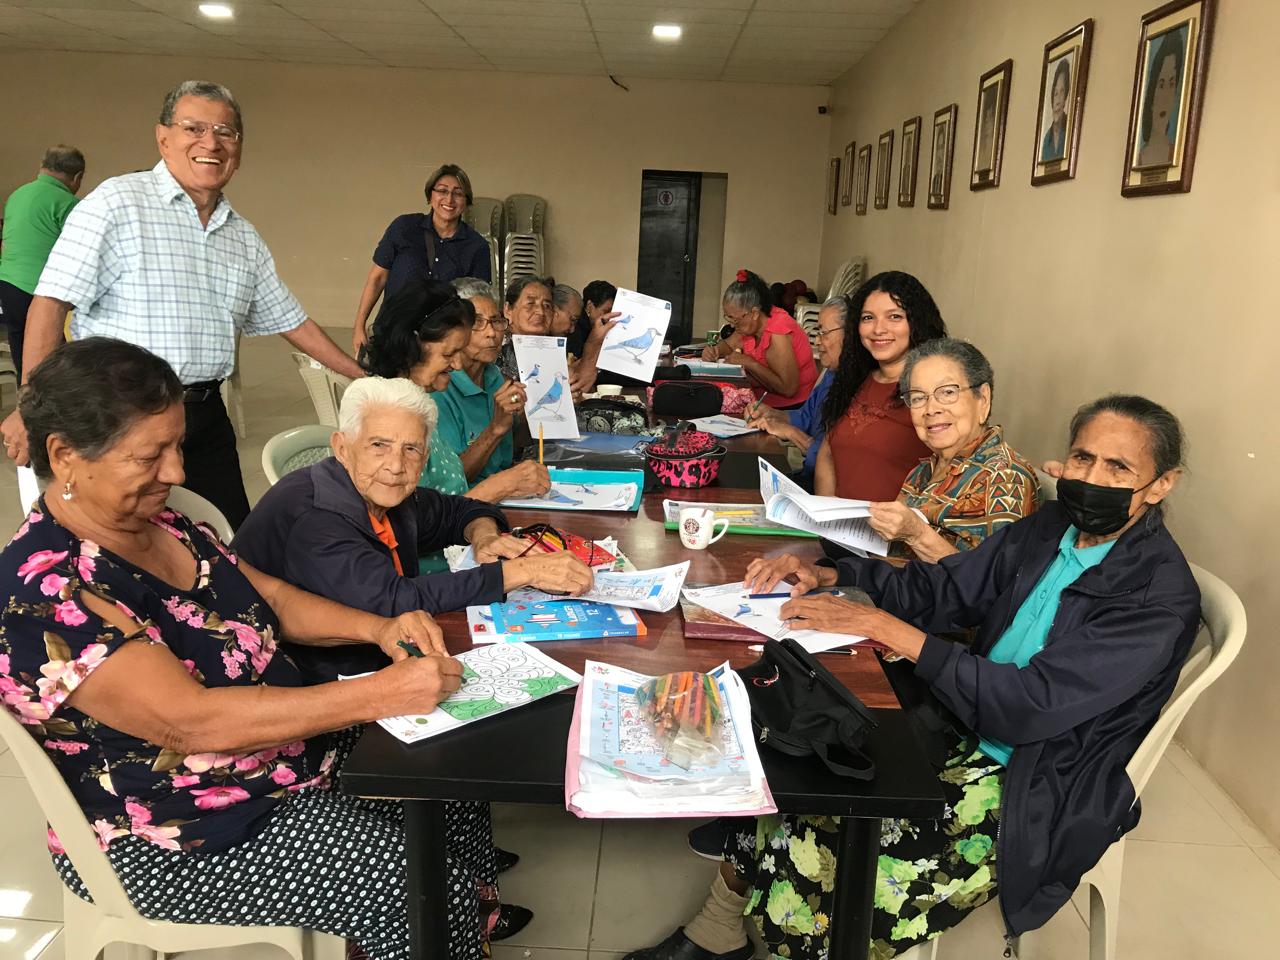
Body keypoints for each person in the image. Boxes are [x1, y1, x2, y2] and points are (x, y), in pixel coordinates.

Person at [0, 336, 526, 960]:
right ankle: (447, 917)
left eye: (177, 446)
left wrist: (377, 629)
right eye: (150, 456)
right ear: (64, 455)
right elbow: (192, 723)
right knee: (416, 889)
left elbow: (270, 597)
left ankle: (468, 918)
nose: (176, 472)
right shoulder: (47, 591)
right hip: (177, 827)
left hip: (277, 753)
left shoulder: (163, 524)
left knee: (447, 758)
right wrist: (380, 693)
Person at [631, 394, 1199, 960]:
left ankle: (802, 942)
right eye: (1082, 458)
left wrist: (882, 625)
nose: (1092, 478)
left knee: (830, 863)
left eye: (1118, 467)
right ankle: (717, 930)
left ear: (1161, 484)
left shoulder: (1157, 599)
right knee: (793, 754)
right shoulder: (1053, 527)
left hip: (1036, 777)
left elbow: (1029, 706)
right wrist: (830, 573)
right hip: (958, 713)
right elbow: (947, 588)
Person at [1, 80, 364, 530]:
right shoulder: (117, 203)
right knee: (125, 542)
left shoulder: (242, 236)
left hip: (205, 416)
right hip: (121, 417)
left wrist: (363, 377)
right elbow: (51, 302)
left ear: (238, 149)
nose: (211, 143)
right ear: (163, 137)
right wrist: (32, 405)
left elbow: (292, 321)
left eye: (225, 132)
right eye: (194, 128)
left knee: (229, 541)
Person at [233, 375, 589, 675]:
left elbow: (460, 510)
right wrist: (521, 571)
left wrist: (483, 537)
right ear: (342, 448)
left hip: (379, 653)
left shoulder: (390, 495)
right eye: (378, 445)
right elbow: (394, 601)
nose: (395, 465)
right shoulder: (317, 516)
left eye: (411, 449)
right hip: (299, 676)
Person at [363, 280, 554, 571]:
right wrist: (497, 487)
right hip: (424, 576)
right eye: (448, 355)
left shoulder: (418, 408)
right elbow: (404, 530)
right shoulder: (388, 420)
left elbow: (448, 501)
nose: (455, 366)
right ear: (414, 347)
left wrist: (483, 530)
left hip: (462, 554)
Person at [867, 337, 1041, 561]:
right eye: (918, 398)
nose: (931, 409)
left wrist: (917, 534)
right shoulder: (923, 471)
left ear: (983, 399)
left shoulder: (1004, 477)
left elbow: (985, 579)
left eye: (948, 392)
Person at [814, 271, 948, 502]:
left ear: (917, 321)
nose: (878, 329)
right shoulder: (854, 379)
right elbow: (828, 451)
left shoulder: (935, 391)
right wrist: (826, 513)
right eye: (868, 318)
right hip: (837, 521)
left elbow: (949, 473)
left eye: (894, 317)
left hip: (898, 523)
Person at [351, 164, 492, 356]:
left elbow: (477, 302)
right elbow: (377, 279)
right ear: (430, 195)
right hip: (392, 336)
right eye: (442, 190)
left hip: (441, 346)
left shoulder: (476, 246)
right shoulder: (404, 228)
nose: (449, 199)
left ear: (466, 201)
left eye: (458, 193)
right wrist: (359, 326)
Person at [745, 295, 847, 489]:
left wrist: (792, 433)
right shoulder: (832, 374)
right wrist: (771, 414)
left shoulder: (861, 388)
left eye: (824, 333)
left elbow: (836, 461)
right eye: (817, 332)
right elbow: (806, 416)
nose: (817, 341)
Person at [0, 145, 85, 372]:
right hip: (41, 292)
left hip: (7, 285)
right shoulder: (69, 204)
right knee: (54, 358)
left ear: (42, 167)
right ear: (77, 177)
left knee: (22, 352)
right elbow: (82, 252)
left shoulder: (17, 195)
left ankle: (25, 391)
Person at [433, 278, 521, 483]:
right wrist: (495, 428)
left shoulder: (495, 376)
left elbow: (507, 454)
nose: (491, 333)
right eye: (477, 322)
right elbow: (452, 480)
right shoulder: (439, 386)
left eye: (496, 321)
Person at [701, 269, 817, 409]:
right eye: (728, 317)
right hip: (760, 399)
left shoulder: (777, 332)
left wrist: (749, 363)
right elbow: (729, 344)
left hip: (792, 408)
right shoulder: (751, 324)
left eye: (735, 319)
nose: (731, 324)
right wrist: (715, 351)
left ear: (755, 313)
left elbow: (788, 389)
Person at [1138, 30, 1185, 168]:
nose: (1165, 97)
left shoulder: (1175, 153)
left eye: (1172, 84)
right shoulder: (1138, 157)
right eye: (1161, 85)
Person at [1040, 56, 1071, 163]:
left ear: (1065, 98)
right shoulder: (1046, 140)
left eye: (1062, 93)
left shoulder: (1070, 131)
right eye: (1055, 94)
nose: (1057, 101)